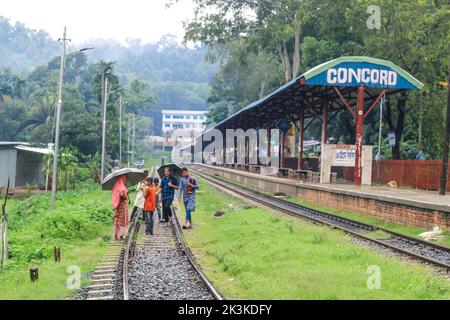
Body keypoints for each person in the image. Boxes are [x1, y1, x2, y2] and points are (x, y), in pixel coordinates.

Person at [112, 175, 129, 241]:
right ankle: (122, 235)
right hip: (122, 206)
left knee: (117, 219)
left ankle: (116, 235)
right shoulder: (121, 186)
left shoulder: (116, 185)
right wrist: (125, 196)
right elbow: (122, 194)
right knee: (122, 220)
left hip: (117, 205)